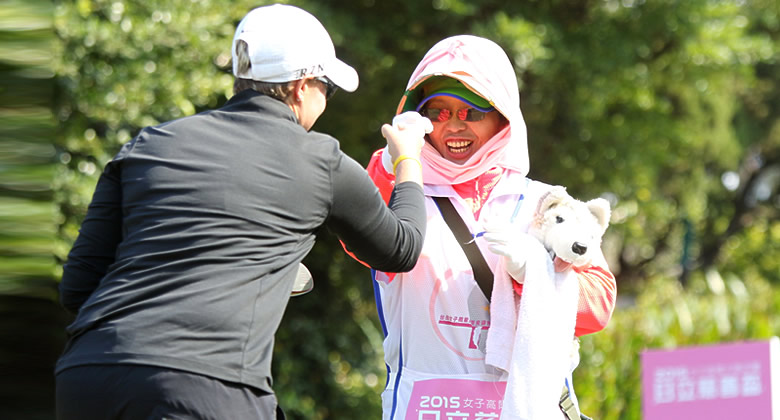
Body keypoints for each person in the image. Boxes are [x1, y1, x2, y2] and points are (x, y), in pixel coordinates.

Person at [54, 4, 431, 419]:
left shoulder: (150, 143)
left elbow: (78, 287)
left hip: (87, 374)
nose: (326, 100)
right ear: (301, 86)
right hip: (201, 385)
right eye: (327, 88)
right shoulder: (320, 159)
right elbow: (401, 248)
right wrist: (408, 158)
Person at [360, 35, 617, 419]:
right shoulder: (403, 195)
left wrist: (533, 276)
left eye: (472, 112)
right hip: (428, 410)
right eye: (438, 112)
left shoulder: (546, 203)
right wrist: (392, 163)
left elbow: (598, 307)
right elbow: (360, 239)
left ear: (503, 116)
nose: (453, 126)